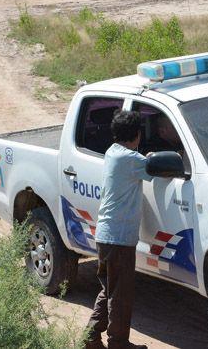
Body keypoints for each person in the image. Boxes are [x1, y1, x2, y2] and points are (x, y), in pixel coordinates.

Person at [83, 110, 152, 349]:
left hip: (107, 235)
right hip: (119, 238)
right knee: (120, 294)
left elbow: (142, 162)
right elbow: (153, 168)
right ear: (137, 134)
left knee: (110, 289)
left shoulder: (114, 153)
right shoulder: (131, 159)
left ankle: (90, 338)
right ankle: (118, 343)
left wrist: (145, 157)